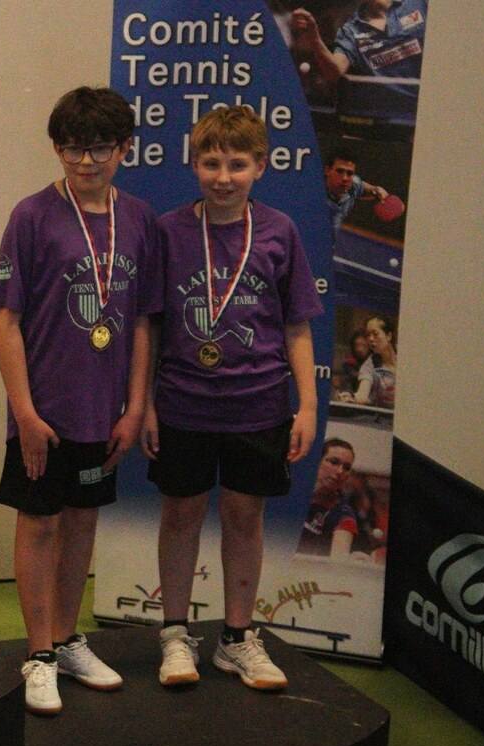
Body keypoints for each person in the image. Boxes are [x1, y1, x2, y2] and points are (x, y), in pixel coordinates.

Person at [0, 86, 161, 716]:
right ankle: (38, 652)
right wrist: (25, 413)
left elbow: (142, 321)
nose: (85, 161)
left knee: (83, 519)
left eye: (98, 149)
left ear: (124, 149)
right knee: (39, 522)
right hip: (43, 411)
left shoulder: (138, 219)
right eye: (70, 149)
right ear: (57, 149)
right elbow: (5, 321)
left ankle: (66, 639)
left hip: (105, 413)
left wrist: (135, 407)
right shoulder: (32, 216)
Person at [141, 106, 322, 692]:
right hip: (183, 403)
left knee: (245, 518)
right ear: (194, 163)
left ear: (261, 167)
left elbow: (296, 325)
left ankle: (237, 638)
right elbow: (150, 324)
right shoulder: (168, 231)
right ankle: (175, 634)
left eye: (237, 165)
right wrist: (144, 404)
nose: (223, 177)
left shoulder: (279, 231)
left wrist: (308, 406)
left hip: (259, 405)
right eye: (211, 163)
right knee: (180, 516)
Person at [291, 1, 427, 93]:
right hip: (386, 114)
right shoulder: (350, 30)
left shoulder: (418, 3)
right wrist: (314, 37)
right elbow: (334, 72)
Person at [298, 438, 359, 557]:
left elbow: (339, 555)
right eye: (334, 462)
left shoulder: (344, 515)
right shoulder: (290, 491)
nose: (340, 471)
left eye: (347, 468)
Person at [322, 151, 391, 231]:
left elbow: (366, 189)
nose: (345, 178)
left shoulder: (353, 185)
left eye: (350, 173)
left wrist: (376, 190)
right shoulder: (313, 190)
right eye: (340, 171)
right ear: (327, 170)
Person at [353, 315, 397, 407]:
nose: (370, 339)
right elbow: (362, 394)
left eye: (375, 334)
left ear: (388, 336)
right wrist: (352, 397)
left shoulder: (407, 355)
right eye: (368, 335)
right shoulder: (369, 365)